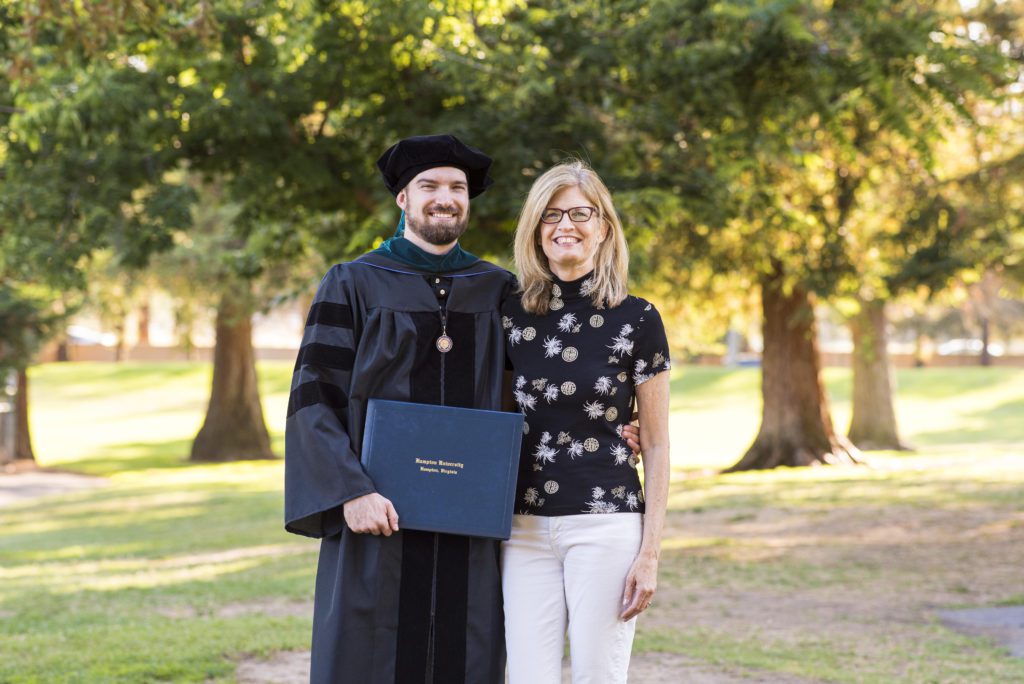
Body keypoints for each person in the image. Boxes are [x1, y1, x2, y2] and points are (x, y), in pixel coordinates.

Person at [284, 134, 517, 684]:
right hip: (377, 518)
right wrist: (350, 491)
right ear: (403, 200)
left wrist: (609, 424)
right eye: (429, 185)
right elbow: (314, 395)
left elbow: (535, 390)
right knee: (370, 657)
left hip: (469, 523)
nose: (445, 198)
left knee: (469, 653)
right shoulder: (353, 283)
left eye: (457, 188)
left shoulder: (498, 290)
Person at [500, 161, 672, 683]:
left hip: (606, 524)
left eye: (580, 212)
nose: (565, 226)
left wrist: (650, 554)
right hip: (521, 528)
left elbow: (659, 444)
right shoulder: (508, 317)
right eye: (551, 215)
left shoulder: (639, 319)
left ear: (604, 228)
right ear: (535, 230)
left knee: (599, 675)